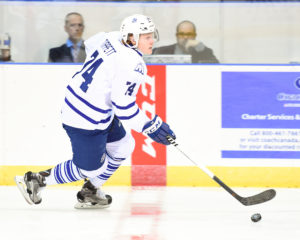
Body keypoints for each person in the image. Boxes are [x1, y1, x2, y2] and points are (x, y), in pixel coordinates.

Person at [15, 14, 176, 209]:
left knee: (124, 146)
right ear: (132, 38)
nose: (152, 40)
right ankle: (37, 180)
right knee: (90, 168)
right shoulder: (134, 65)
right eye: (146, 36)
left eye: (152, 35)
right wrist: (149, 126)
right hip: (85, 119)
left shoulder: (114, 37)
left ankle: (90, 191)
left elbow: (91, 44)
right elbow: (123, 107)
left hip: (89, 106)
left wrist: (102, 80)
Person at [153, 20, 219, 63]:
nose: (185, 37)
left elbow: (216, 69)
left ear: (195, 36)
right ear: (177, 36)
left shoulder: (204, 52)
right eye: (181, 34)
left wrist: (202, 48)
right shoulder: (162, 51)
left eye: (189, 34)